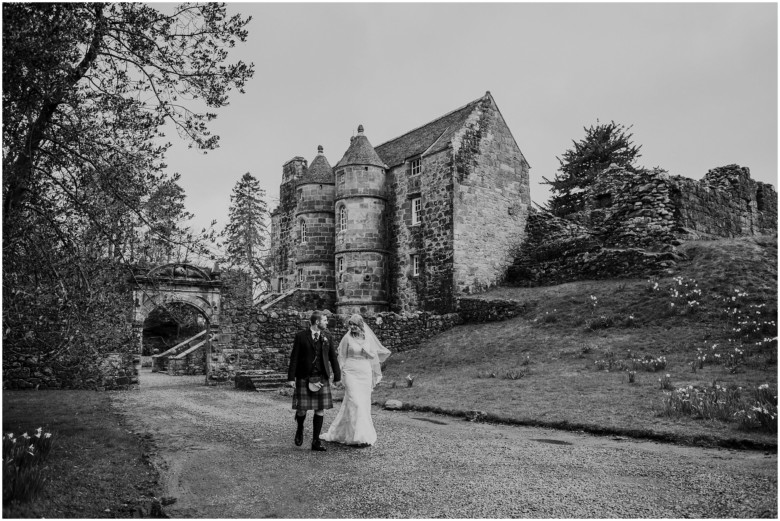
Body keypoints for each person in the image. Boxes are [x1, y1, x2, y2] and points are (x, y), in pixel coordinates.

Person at [320, 314, 391, 447]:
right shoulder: (347, 338)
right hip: (350, 372)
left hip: (364, 372)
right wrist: (340, 373)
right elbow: (341, 356)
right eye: (350, 324)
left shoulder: (367, 337)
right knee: (355, 402)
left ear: (360, 326)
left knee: (362, 404)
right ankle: (355, 436)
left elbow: (373, 355)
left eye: (354, 325)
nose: (352, 327)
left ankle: (360, 435)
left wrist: (366, 353)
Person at [287, 310, 341, 451]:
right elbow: (295, 358)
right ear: (317, 322)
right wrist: (291, 378)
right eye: (324, 320)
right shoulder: (301, 336)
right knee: (301, 410)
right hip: (304, 376)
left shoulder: (327, 336)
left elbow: (333, 357)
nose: (326, 322)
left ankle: (316, 441)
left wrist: (337, 375)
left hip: (321, 377)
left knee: (320, 409)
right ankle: (300, 429)